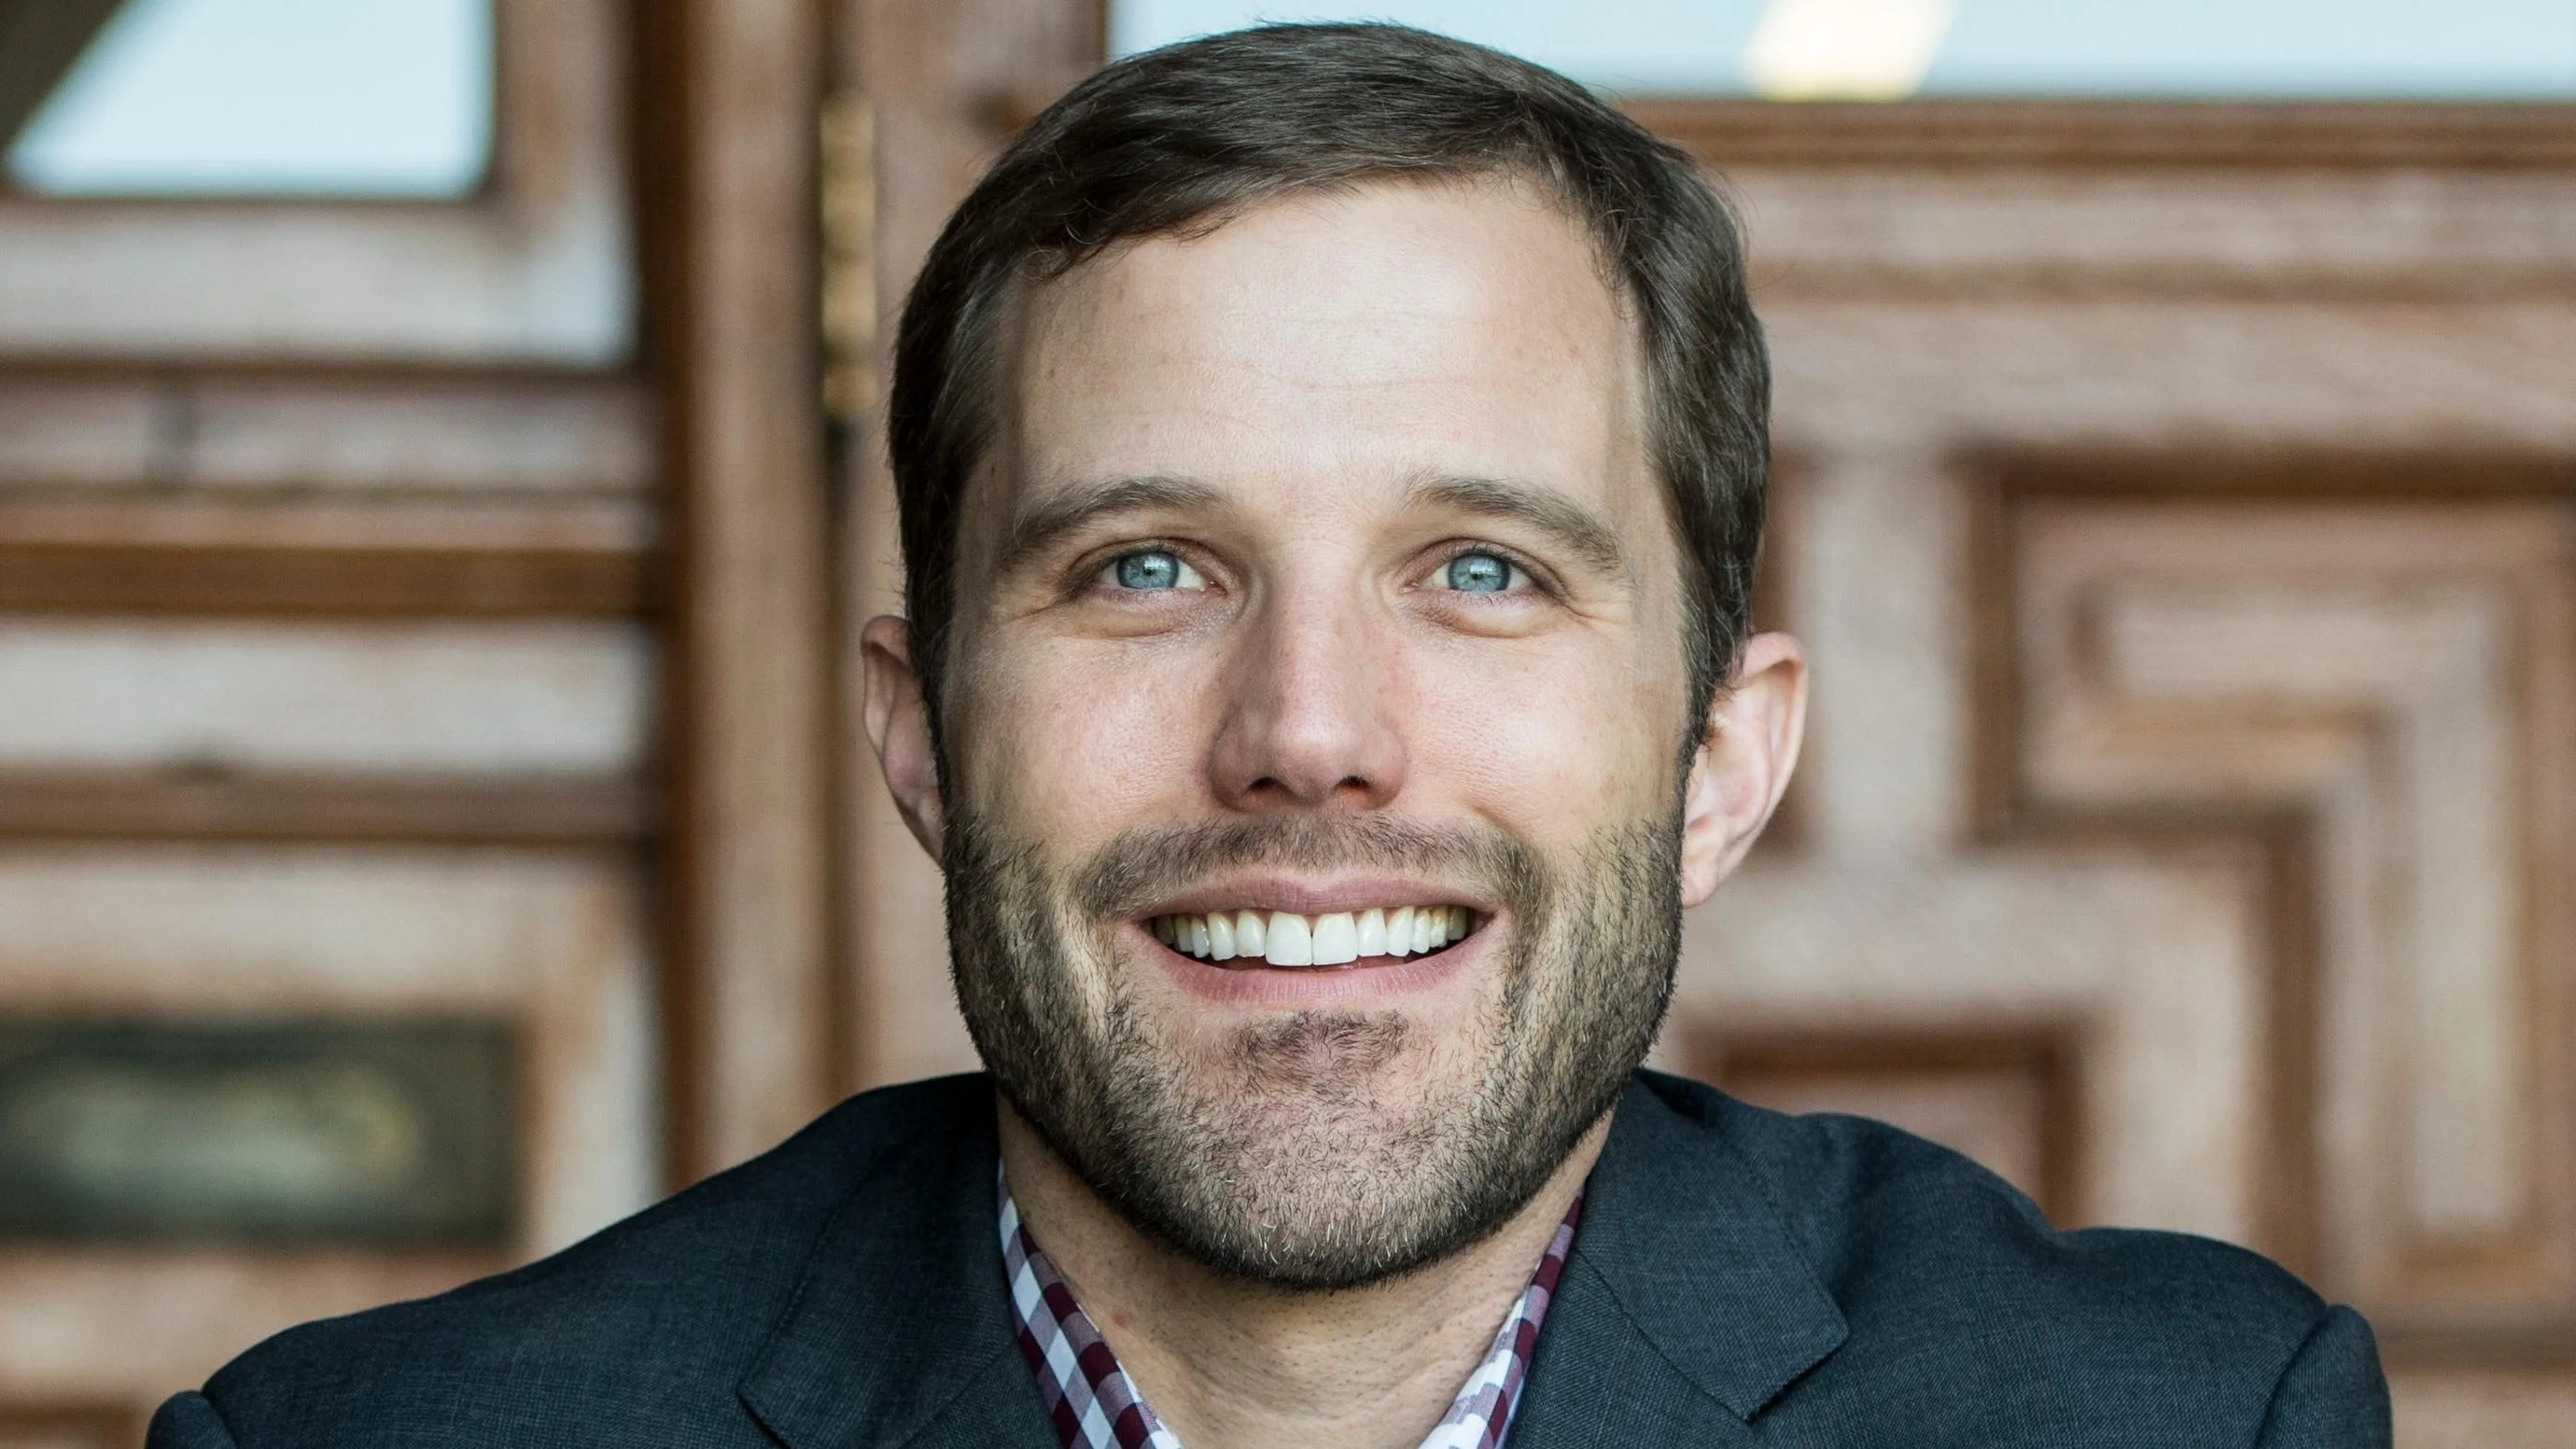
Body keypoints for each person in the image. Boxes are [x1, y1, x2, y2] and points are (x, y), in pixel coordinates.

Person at [149, 22, 2388, 1449]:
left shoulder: (2182, 1421)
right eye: (1146, 565)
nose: (1308, 734)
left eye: (1480, 568)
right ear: (921, 735)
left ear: (1721, 758)